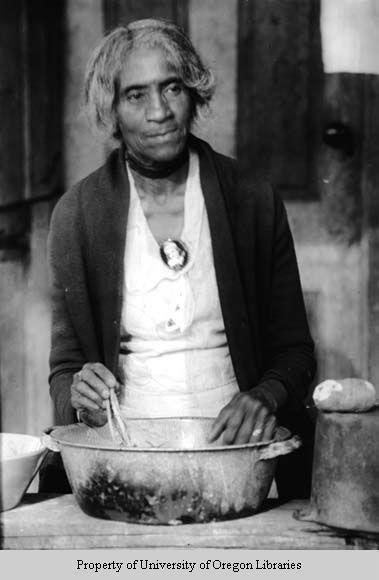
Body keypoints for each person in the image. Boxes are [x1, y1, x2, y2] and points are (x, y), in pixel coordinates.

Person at [42, 19, 316, 497]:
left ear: (193, 94)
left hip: (240, 452)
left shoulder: (251, 199)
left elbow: (295, 350)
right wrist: (79, 396)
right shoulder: (78, 215)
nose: (159, 111)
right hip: (124, 451)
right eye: (135, 95)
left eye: (172, 88)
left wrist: (265, 396)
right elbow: (65, 369)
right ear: (112, 110)